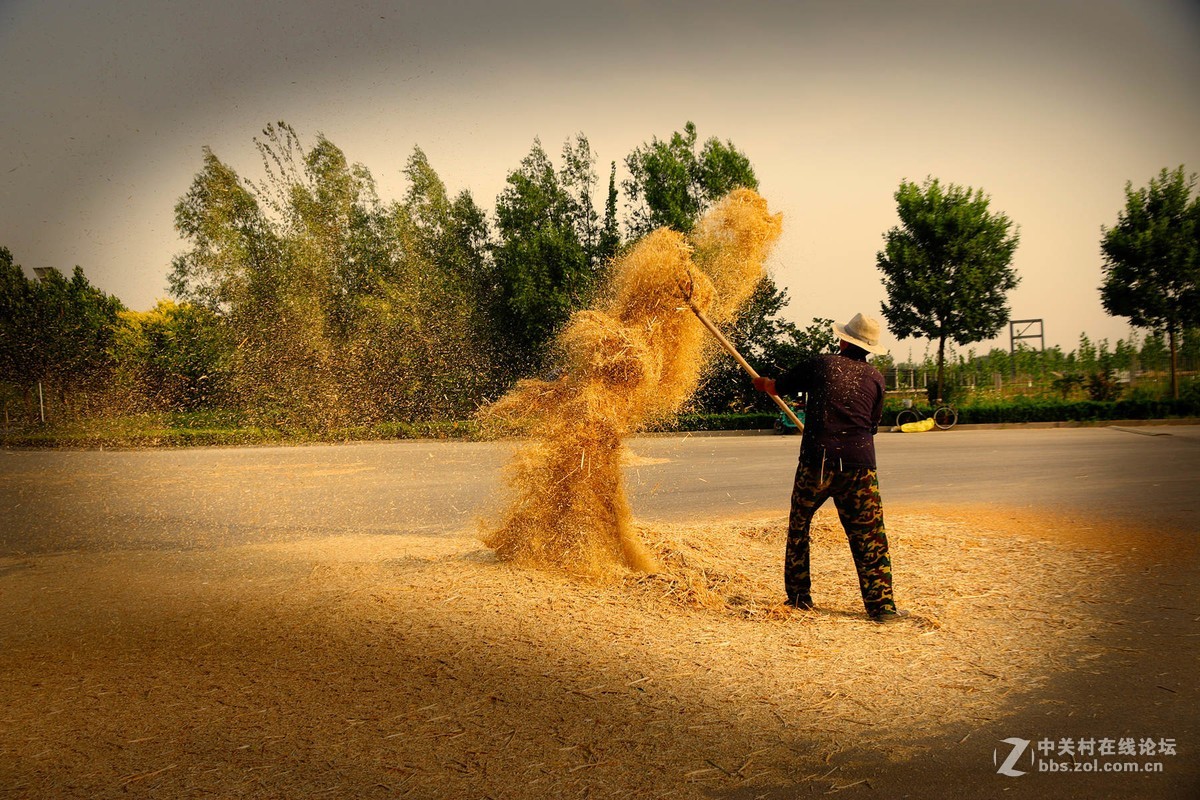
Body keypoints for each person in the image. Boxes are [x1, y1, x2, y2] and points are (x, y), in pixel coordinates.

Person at [753, 313, 909, 624]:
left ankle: (799, 598)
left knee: (799, 527)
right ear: (868, 348)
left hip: (818, 462)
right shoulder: (876, 378)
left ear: (843, 340)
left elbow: (775, 387)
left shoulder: (822, 364)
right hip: (860, 466)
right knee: (870, 535)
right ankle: (882, 608)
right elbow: (872, 425)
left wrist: (762, 384)